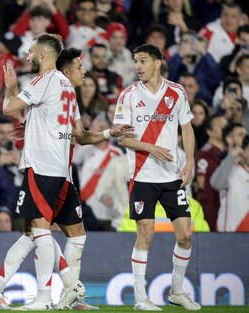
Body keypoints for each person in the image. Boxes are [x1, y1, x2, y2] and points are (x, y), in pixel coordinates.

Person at [0, 41, 132, 310]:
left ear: (42, 55)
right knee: (39, 233)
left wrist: (11, 87)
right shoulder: (63, 88)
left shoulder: (48, 81)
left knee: (59, 233)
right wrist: (31, 127)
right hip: (54, 171)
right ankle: (44, 293)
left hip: (47, 171)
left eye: (30, 51)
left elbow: (8, 108)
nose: (84, 72)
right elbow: (78, 134)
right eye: (80, 67)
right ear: (66, 68)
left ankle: (54, 295)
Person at [113, 43, 200, 310]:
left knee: (185, 234)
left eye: (142, 61)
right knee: (146, 234)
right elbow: (123, 139)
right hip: (142, 176)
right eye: (135, 61)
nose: (138, 66)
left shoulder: (176, 92)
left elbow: (187, 128)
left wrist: (190, 161)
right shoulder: (127, 95)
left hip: (171, 176)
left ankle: (176, 291)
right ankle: (141, 298)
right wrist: (150, 147)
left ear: (158, 62)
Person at [210, 126, 248, 232]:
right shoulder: (229, 169)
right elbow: (216, 183)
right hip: (230, 233)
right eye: (240, 135)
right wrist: (231, 157)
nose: (244, 137)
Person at [195, 114, 227, 231]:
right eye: (221, 127)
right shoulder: (205, 154)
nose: (225, 129)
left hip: (224, 204)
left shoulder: (228, 153)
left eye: (226, 126)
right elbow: (201, 183)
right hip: (210, 206)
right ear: (209, 131)